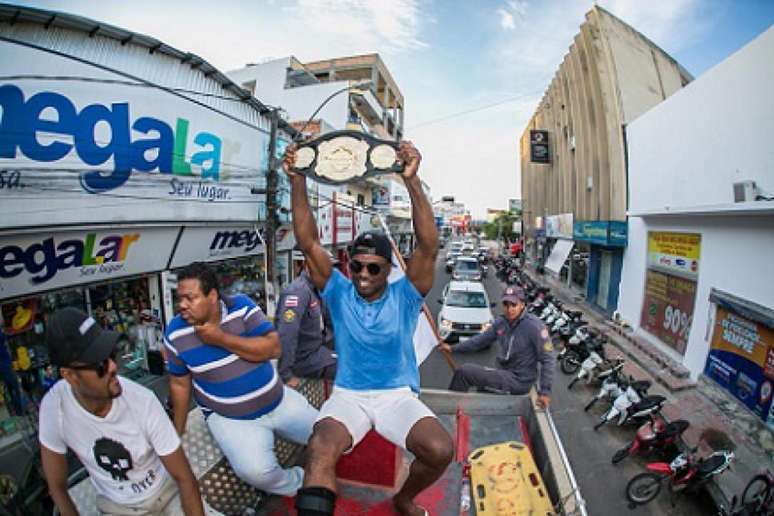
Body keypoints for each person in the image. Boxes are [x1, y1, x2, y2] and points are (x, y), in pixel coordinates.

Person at [284, 141, 453, 516]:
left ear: (388, 269)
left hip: (396, 396)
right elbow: (307, 241)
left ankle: (405, 498)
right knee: (319, 449)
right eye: (356, 265)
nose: (362, 274)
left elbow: (428, 246)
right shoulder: (339, 291)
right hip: (349, 396)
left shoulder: (405, 295)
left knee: (440, 450)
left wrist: (412, 181)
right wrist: (296, 180)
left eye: (373, 267)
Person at [38, 307, 211, 516]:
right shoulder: (54, 408)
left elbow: (184, 478)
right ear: (70, 376)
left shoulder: (141, 400)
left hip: (166, 493)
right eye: (100, 364)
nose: (113, 367)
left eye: (111, 355)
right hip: (117, 508)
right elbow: (57, 487)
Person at [165, 262, 317, 496]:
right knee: (257, 473)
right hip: (231, 418)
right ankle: (302, 482)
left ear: (213, 295)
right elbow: (179, 383)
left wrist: (220, 339)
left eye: (190, 298)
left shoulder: (241, 307)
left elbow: (273, 348)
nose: (182, 305)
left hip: (279, 401)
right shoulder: (175, 333)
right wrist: (177, 431)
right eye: (179, 298)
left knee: (330, 436)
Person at [439, 286, 554, 407]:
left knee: (465, 372)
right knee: (480, 389)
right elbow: (480, 341)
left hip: (518, 381)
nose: (509, 309)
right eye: (506, 304)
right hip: (503, 373)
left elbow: (548, 359)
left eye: (513, 305)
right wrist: (453, 348)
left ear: (522, 305)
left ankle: (448, 409)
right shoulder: (501, 322)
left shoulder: (534, 327)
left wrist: (544, 392)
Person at [276, 248, 337, 388]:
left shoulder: (318, 289)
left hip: (319, 350)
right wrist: (286, 375)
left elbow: (331, 322)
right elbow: (286, 334)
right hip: (306, 360)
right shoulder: (297, 292)